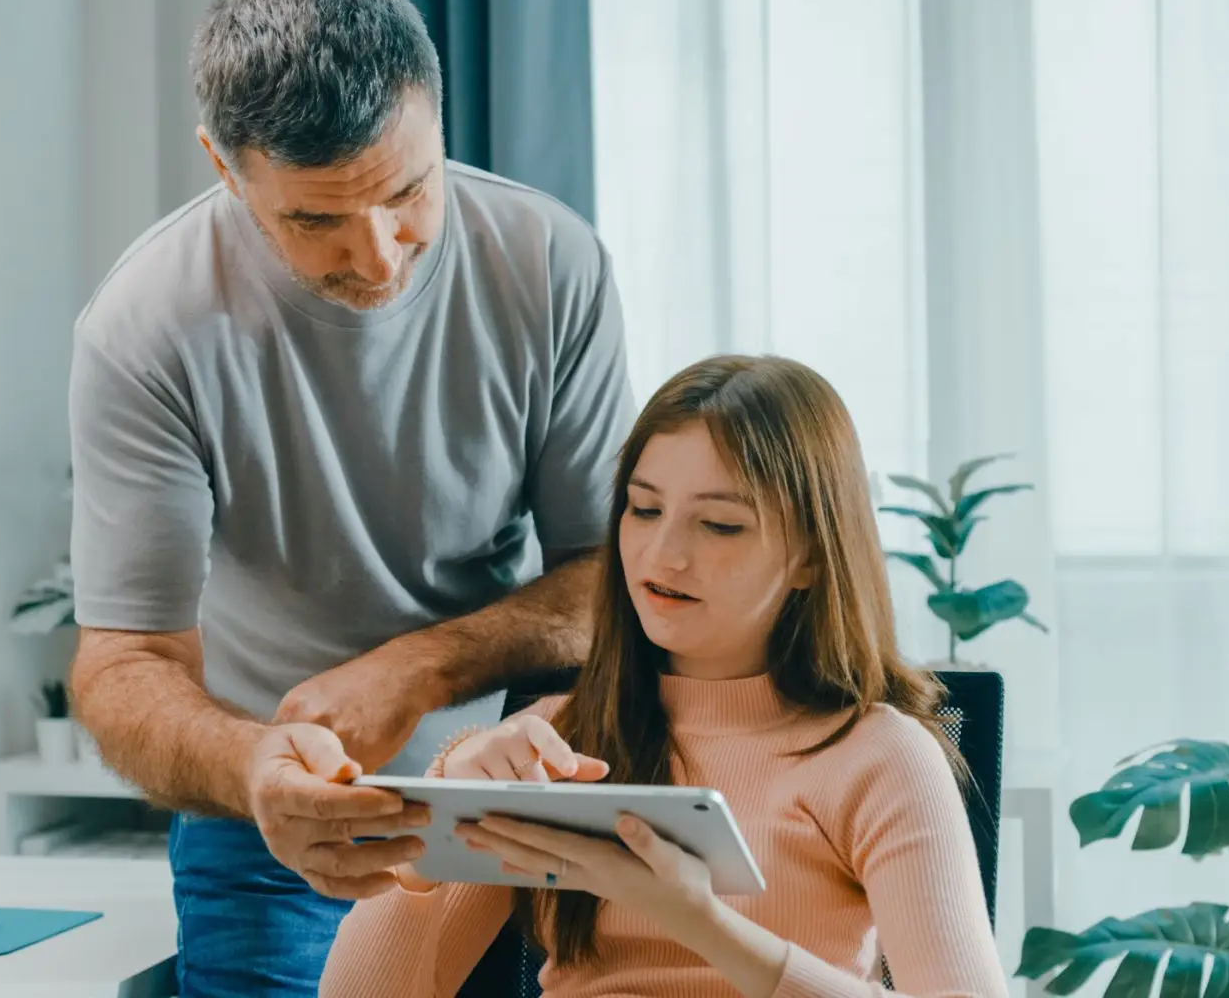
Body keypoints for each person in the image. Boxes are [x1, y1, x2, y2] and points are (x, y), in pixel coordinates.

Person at [65, 0, 636, 997]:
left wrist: (416, 670)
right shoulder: (143, 328)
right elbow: (121, 660)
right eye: (314, 220)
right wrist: (254, 769)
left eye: (409, 191)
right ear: (222, 167)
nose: (376, 258)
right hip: (268, 829)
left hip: (525, 786)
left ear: (438, 119)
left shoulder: (549, 261)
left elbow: (615, 576)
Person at [319, 355, 1013, 998]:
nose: (663, 555)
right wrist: (435, 829)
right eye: (644, 509)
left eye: (718, 525)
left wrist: (698, 919)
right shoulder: (555, 739)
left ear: (810, 556)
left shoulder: (879, 758)